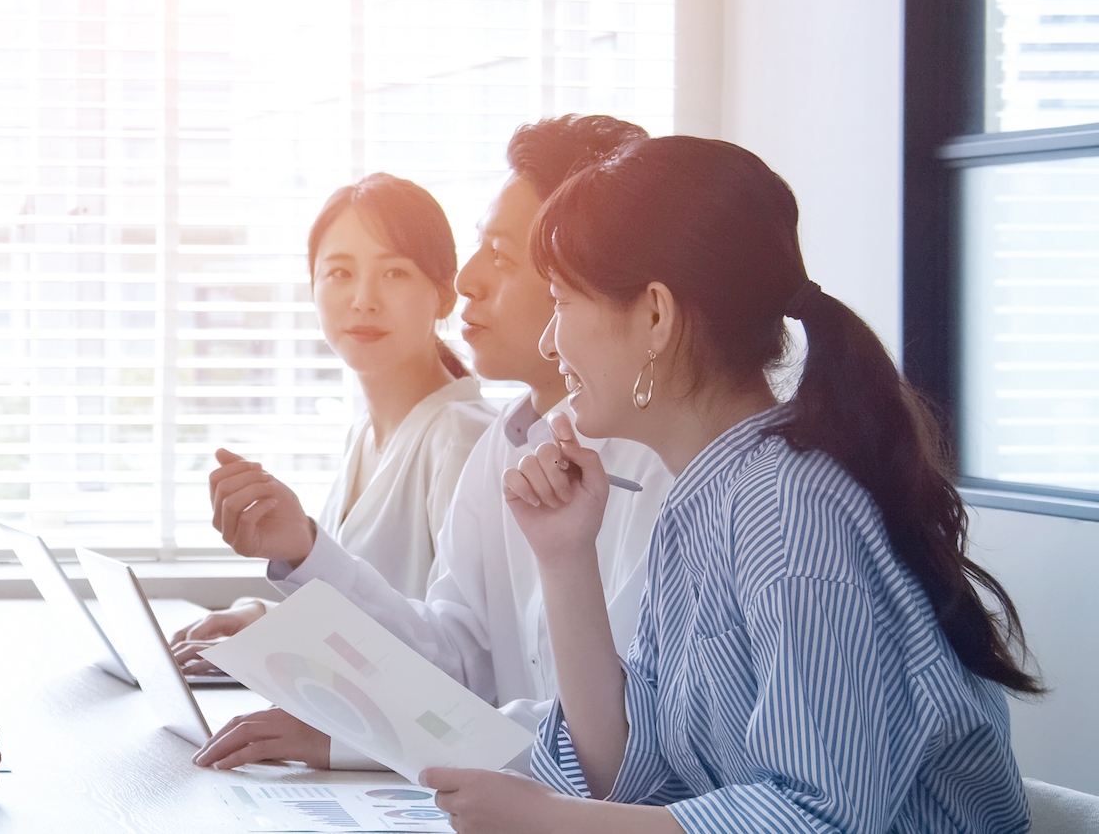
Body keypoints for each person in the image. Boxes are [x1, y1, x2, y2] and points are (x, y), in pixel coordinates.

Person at [421, 135, 1033, 832]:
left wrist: (558, 821)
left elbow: (817, 816)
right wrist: (565, 558)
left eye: (563, 301)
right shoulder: (709, 500)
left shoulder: (790, 507)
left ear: (655, 315)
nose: (548, 343)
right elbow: (626, 771)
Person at [183, 115, 670, 773]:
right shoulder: (508, 441)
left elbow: (613, 739)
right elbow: (451, 656)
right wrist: (303, 553)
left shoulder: (663, 468)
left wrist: (353, 738)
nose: (464, 280)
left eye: (500, 255)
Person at [182, 173, 497, 648]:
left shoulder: (462, 440)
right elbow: (375, 610)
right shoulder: (366, 433)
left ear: (446, 293)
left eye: (394, 273)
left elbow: (464, 659)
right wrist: (266, 618)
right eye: (340, 273)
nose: (363, 301)